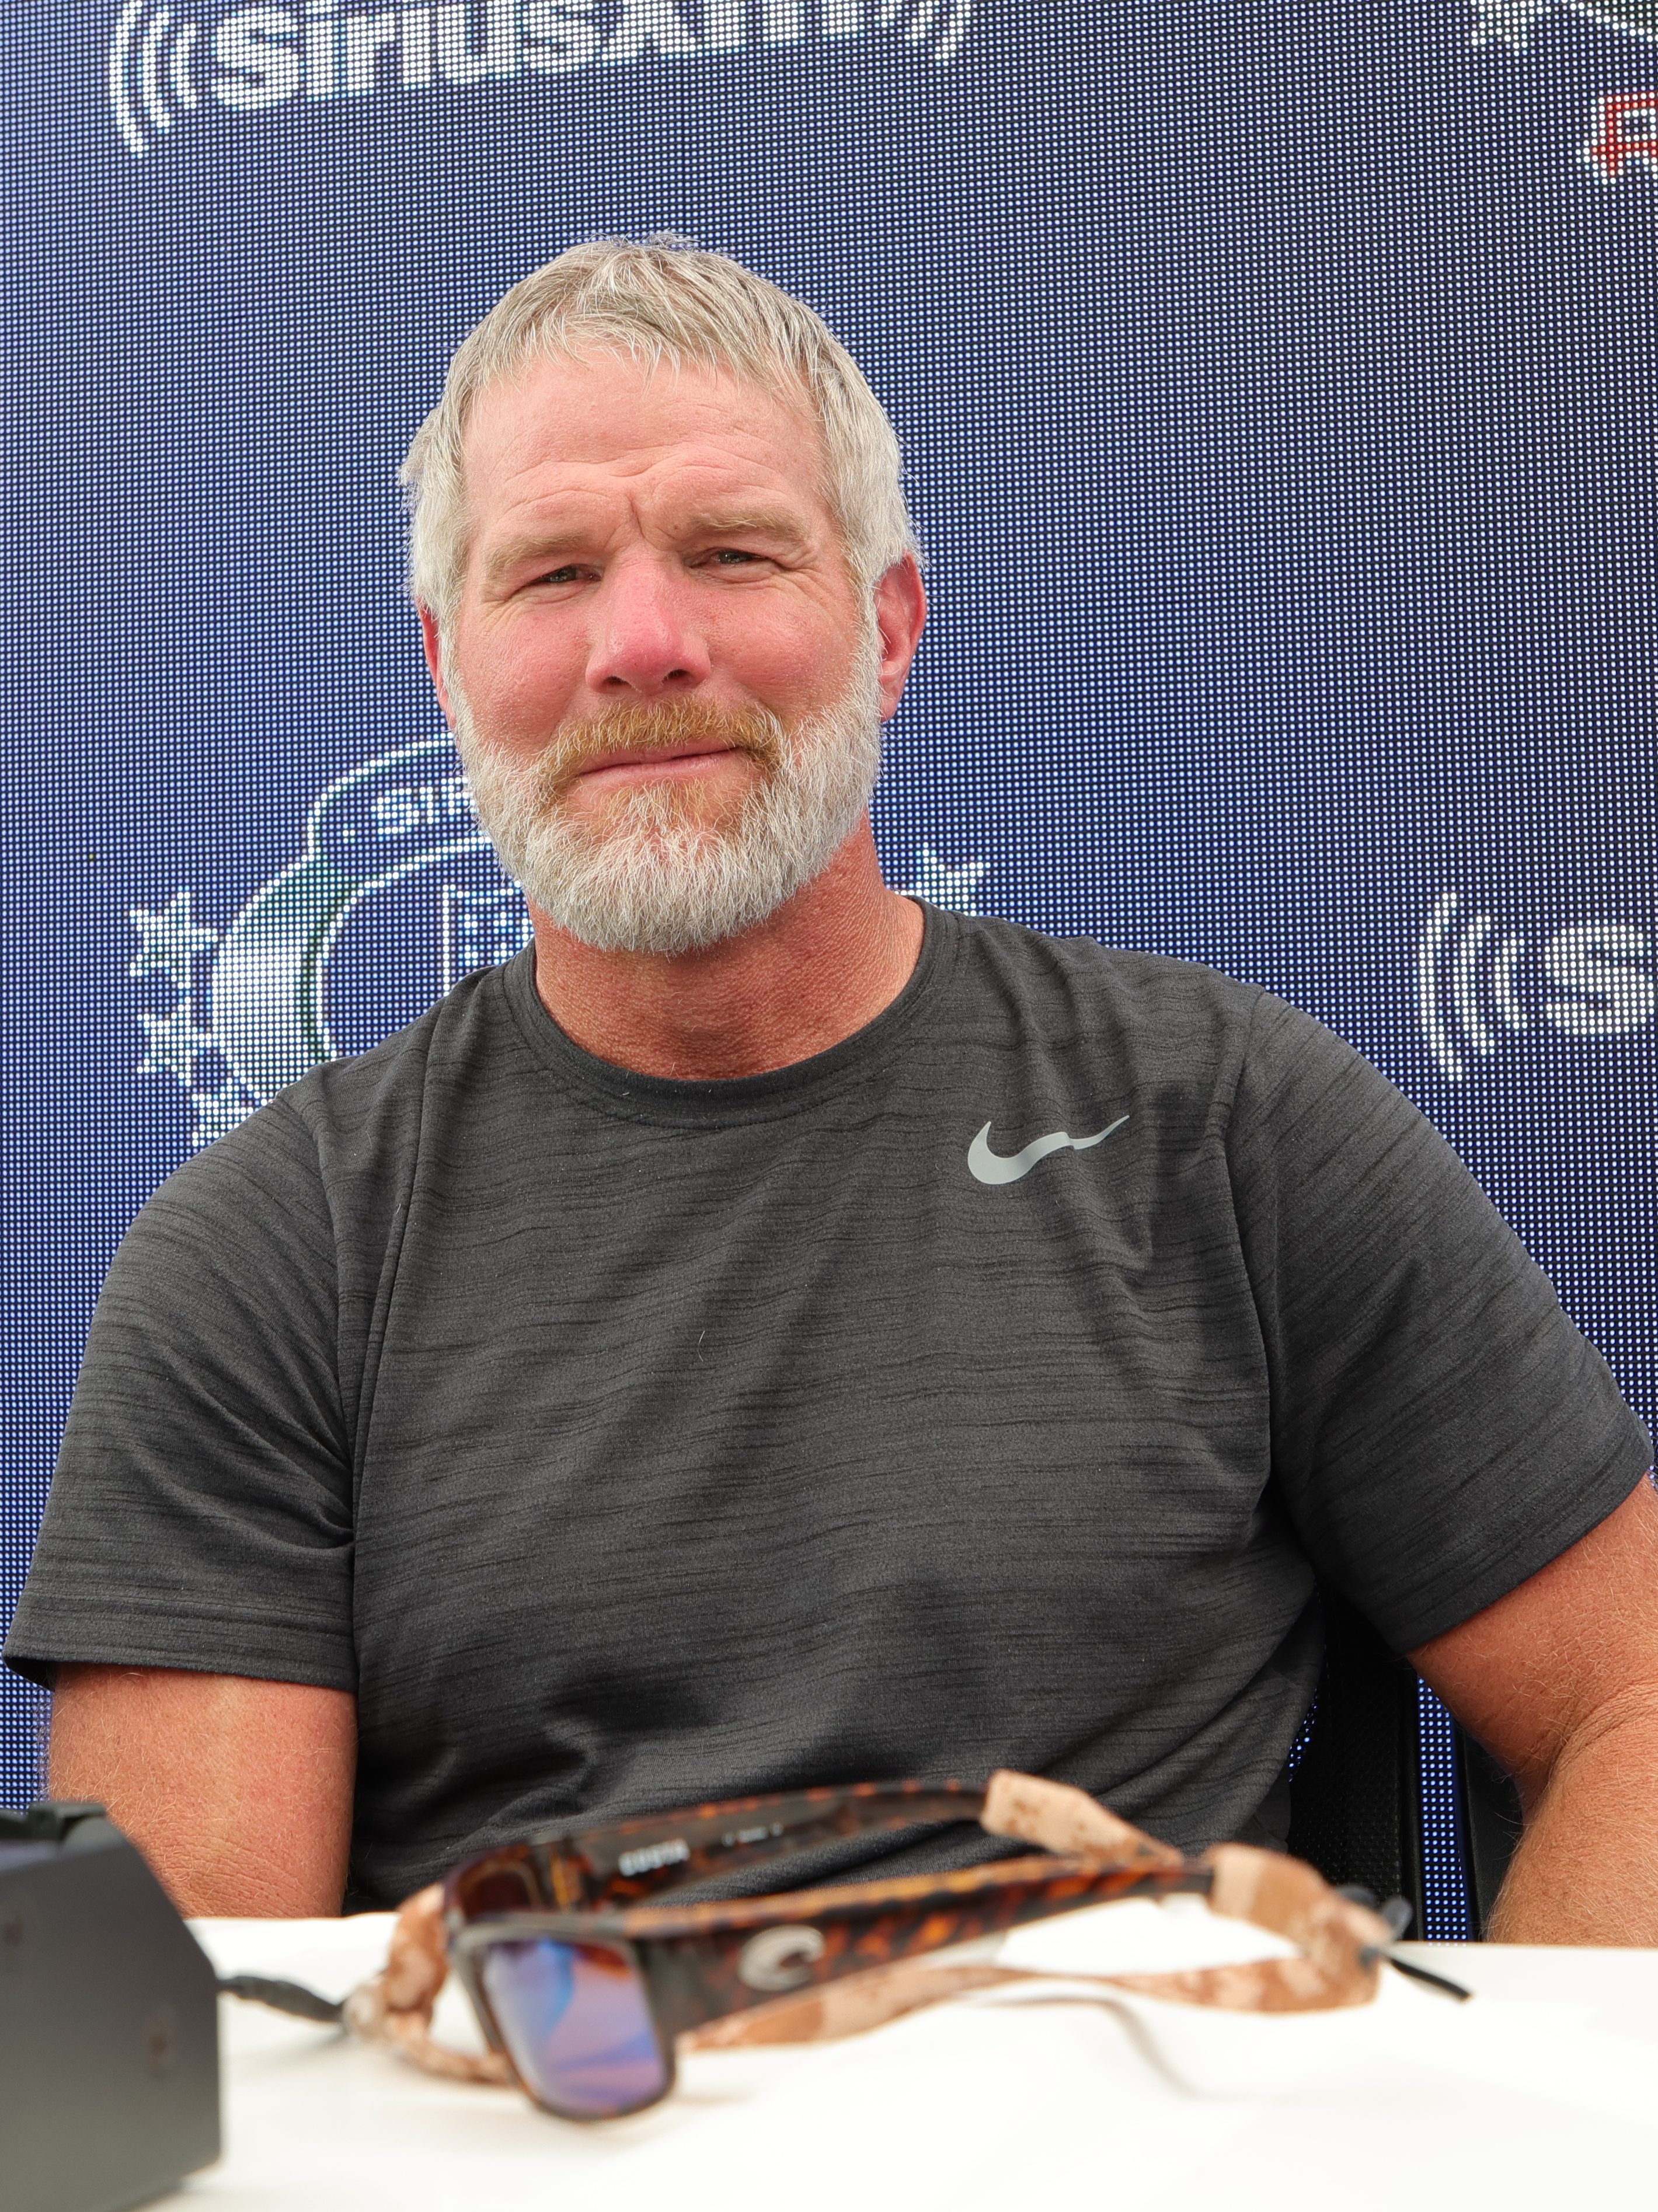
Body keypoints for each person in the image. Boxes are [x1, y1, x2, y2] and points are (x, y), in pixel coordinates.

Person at [9, 238, 1657, 1938]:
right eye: (554, 573)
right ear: (448, 665)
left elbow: (1634, 1704)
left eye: (732, 552)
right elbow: (189, 2016)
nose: (643, 644)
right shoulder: (270, 1251)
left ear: (886, 626)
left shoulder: (1223, 1121)